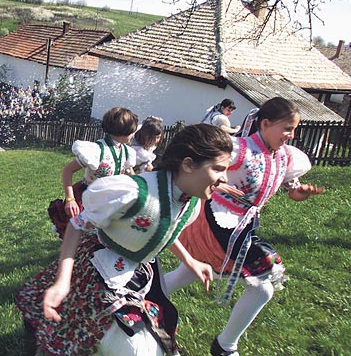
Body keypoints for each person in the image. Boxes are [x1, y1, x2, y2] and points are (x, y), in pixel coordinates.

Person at [17, 124, 234, 356]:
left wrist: (190, 261)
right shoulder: (132, 192)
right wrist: (63, 281)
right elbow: (76, 225)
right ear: (189, 164)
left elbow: (162, 230)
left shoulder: (190, 203)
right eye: (218, 169)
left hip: (134, 275)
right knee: (82, 337)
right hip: (96, 272)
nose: (225, 178)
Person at [165, 97, 325, 356]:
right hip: (216, 219)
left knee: (192, 270)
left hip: (242, 224)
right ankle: (226, 346)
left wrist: (300, 193)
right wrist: (216, 182)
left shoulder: (285, 157)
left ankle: (144, 297)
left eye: (294, 129)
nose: (291, 135)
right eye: (287, 128)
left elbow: (290, 190)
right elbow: (197, 162)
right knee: (264, 277)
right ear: (265, 124)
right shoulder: (240, 149)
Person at [48, 106, 138, 238]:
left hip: (111, 200)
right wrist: (70, 199)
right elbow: (68, 170)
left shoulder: (126, 152)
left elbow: (130, 174)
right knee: (83, 236)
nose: (133, 135)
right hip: (90, 199)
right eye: (132, 131)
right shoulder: (96, 150)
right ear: (123, 130)